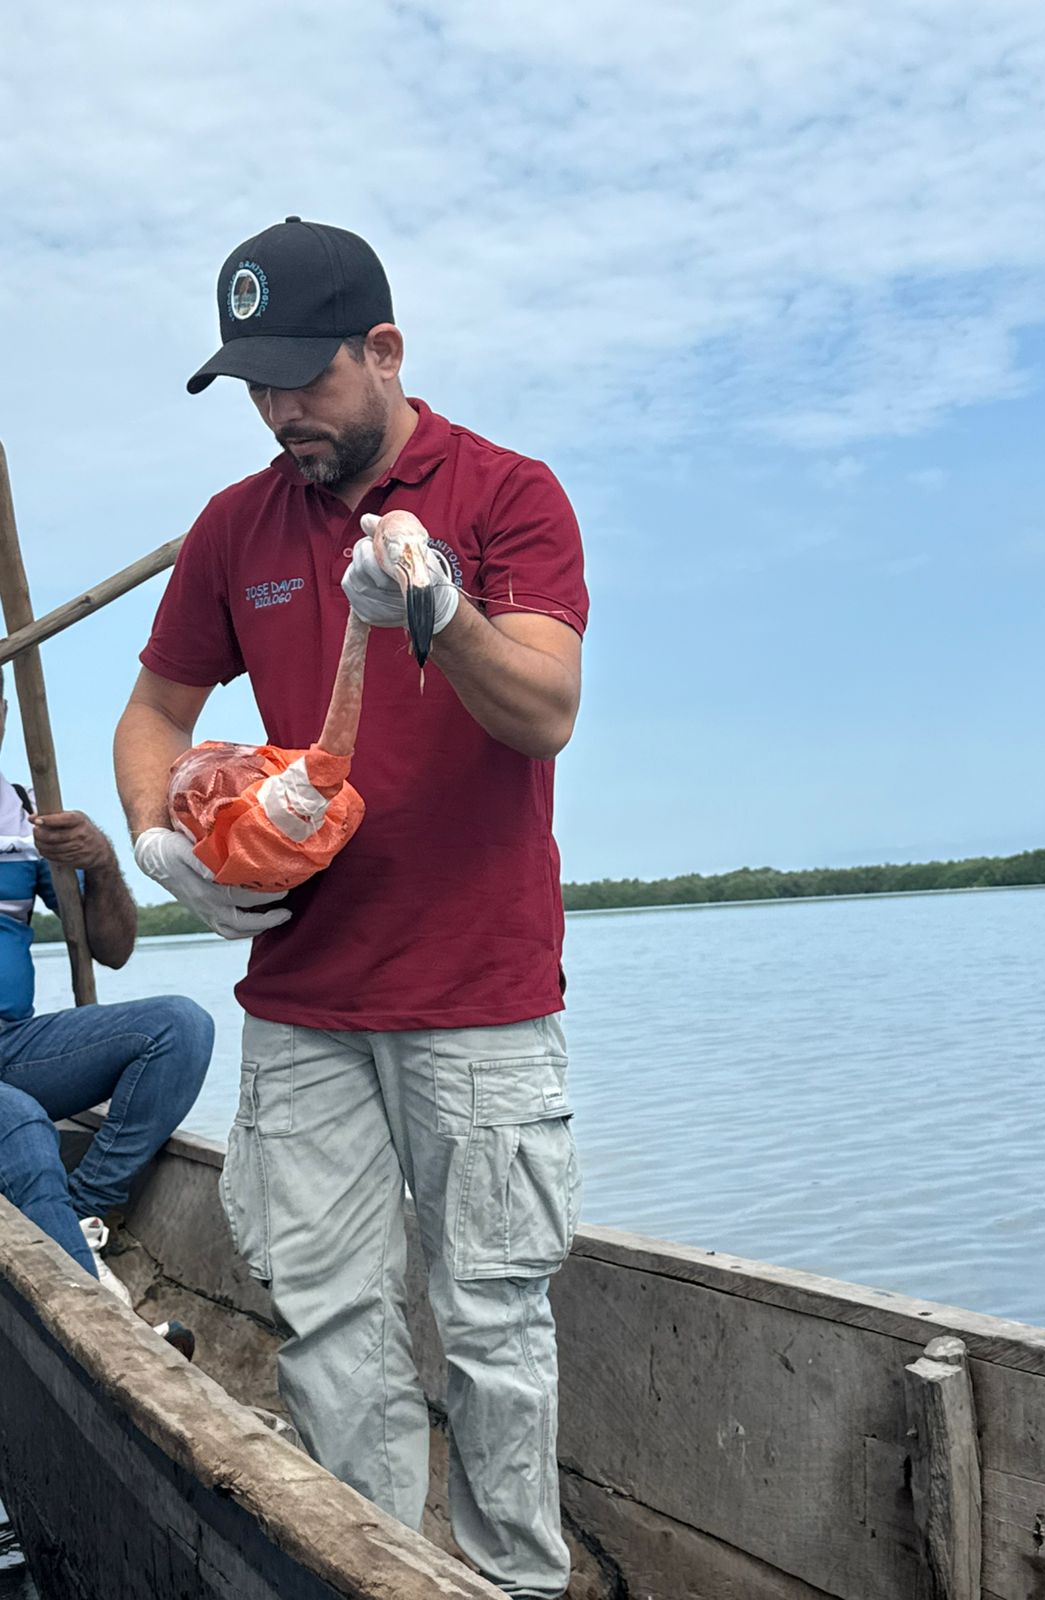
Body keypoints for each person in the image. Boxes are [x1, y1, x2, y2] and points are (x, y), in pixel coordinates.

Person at [114, 216, 587, 1600]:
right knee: (327, 1323)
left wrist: (437, 602)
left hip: (481, 998)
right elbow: (157, 708)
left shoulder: (509, 495)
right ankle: (373, 1576)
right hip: (303, 1000)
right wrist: (161, 844)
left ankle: (513, 1588)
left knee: (494, 1325)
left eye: (303, 384)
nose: (280, 417)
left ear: (383, 351)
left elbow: (545, 711)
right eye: (254, 392)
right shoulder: (236, 528)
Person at [0, 667, 214, 1305]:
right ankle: (96, 1304)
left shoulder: (20, 807)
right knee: (20, 1121)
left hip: (14, 1046)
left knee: (181, 1027)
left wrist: (98, 861)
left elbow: (114, 950)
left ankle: (78, 1211)